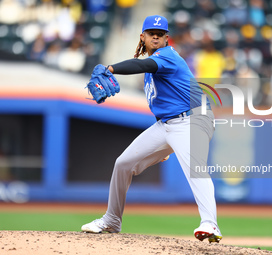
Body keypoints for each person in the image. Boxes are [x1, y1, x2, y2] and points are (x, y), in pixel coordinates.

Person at [81, 15, 222, 243]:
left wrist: (110, 68)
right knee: (123, 163)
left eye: (160, 33)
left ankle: (210, 224)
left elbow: (142, 64)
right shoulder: (153, 68)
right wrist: (165, 147)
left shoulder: (166, 57)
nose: (155, 36)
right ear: (143, 37)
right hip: (167, 125)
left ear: (167, 38)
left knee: (195, 168)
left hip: (194, 119)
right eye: (151, 32)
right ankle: (111, 220)